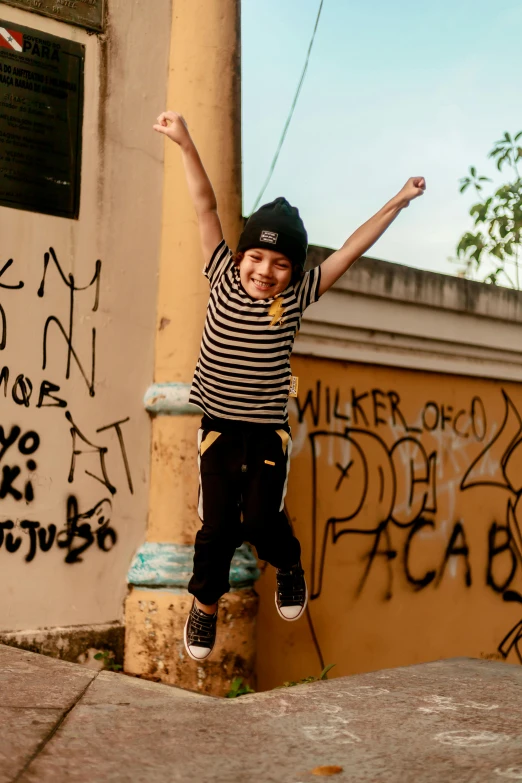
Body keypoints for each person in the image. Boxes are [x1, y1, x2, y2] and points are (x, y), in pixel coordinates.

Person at [153, 110, 426, 661]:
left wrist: (397, 201)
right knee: (216, 529)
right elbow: (205, 206)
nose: (264, 271)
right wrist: (185, 142)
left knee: (259, 520)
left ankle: (291, 567)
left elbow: (351, 249)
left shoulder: (295, 298)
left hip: (268, 432)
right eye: (256, 256)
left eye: (280, 263)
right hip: (219, 430)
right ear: (241, 256)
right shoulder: (222, 274)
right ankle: (204, 608)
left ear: (293, 271)